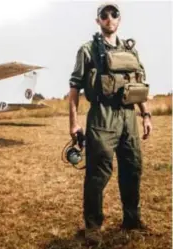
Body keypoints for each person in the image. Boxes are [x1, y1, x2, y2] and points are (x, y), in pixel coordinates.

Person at [68, 2, 153, 245]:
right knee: (97, 174)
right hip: (102, 117)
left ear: (119, 19)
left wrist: (145, 115)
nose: (109, 18)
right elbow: (74, 88)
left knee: (132, 168)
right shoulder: (87, 50)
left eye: (113, 14)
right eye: (103, 15)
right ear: (98, 21)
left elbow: (138, 85)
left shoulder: (131, 51)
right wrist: (73, 124)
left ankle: (132, 220)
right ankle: (93, 228)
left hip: (129, 117)